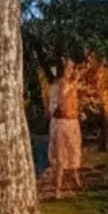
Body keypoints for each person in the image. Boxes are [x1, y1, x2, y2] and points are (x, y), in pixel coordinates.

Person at [47, 61, 84, 194]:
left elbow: (72, 102)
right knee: (62, 153)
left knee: (72, 150)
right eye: (69, 67)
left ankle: (75, 179)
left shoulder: (67, 84)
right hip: (63, 122)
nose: (72, 69)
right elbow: (62, 101)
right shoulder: (62, 84)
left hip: (70, 121)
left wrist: (78, 112)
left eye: (72, 67)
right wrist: (74, 83)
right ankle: (58, 187)